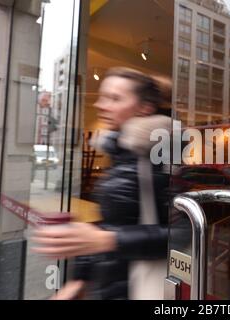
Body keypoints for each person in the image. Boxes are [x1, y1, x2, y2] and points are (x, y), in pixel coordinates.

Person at [32, 67, 172, 300]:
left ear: (144, 108)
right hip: (111, 284)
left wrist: (108, 240)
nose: (100, 105)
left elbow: (183, 234)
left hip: (140, 287)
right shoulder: (122, 151)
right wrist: (78, 280)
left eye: (114, 98)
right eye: (102, 97)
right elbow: (110, 223)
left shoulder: (159, 156)